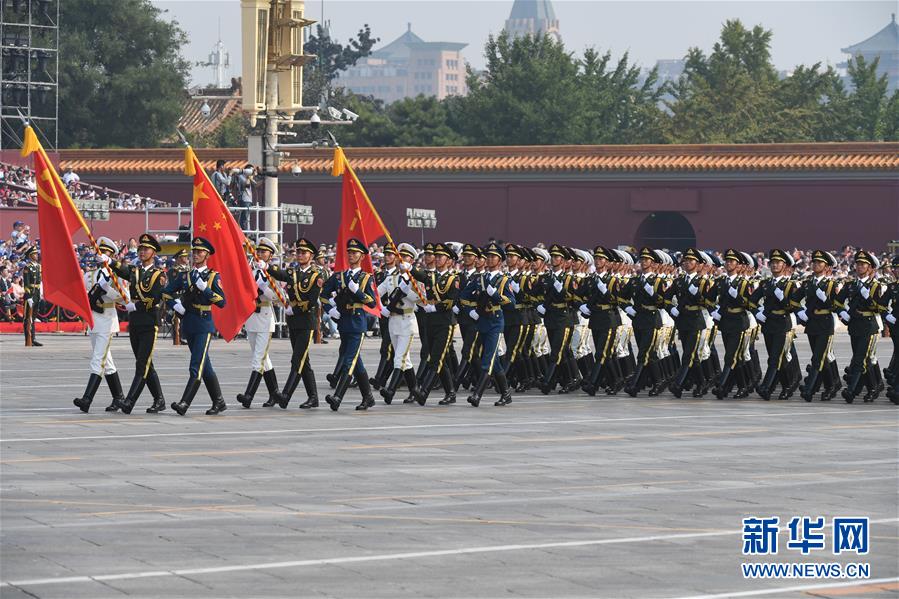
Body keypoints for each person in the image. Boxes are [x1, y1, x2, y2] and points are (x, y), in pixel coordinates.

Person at [164, 237, 227, 416]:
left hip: (204, 324)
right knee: (204, 366)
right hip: (189, 323)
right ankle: (219, 401)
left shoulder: (213, 276)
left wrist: (205, 289)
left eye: (200, 252)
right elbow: (166, 292)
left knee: (195, 366)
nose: (196, 254)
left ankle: (184, 403)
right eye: (195, 251)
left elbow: (222, 302)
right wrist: (175, 305)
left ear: (207, 254)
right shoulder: (185, 275)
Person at [109, 233, 167, 414]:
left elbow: (154, 297)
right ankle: (159, 399)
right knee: (145, 362)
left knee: (142, 364)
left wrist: (136, 305)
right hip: (135, 323)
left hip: (149, 322)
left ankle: (130, 401)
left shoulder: (159, 275)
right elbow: (123, 270)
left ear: (154, 253)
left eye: (146, 249)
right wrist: (109, 261)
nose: (142, 252)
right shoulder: (135, 271)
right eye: (141, 249)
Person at [321, 238, 379, 411]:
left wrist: (357, 291)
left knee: (348, 361)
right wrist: (330, 310)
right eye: (349, 252)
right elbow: (323, 294)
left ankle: (337, 397)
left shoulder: (366, 278)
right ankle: (368, 397)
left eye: (355, 253)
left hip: (357, 323)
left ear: (362, 256)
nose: (351, 255)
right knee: (355, 361)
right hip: (343, 321)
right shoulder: (339, 276)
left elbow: (371, 303)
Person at [268, 238, 324, 408]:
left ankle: (285, 396)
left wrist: (296, 310)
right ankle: (313, 397)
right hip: (293, 321)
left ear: (311, 256)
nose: (300, 255)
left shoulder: (317, 275)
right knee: (304, 361)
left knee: (297, 359)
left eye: (304, 253)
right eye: (298, 252)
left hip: (307, 321)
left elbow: (312, 300)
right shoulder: (293, 272)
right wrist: (267, 268)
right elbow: (281, 274)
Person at [459, 242, 515, 407]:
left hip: (495, 323)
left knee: (488, 360)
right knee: (495, 362)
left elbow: (511, 303)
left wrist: (496, 295)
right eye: (488, 256)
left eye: (493, 257)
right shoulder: (480, 278)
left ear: (500, 260)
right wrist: (470, 310)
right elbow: (463, 296)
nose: (489, 259)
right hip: (481, 321)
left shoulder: (504, 280)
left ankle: (477, 395)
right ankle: (506, 393)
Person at [73, 238, 126, 412]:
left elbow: (124, 298)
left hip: (107, 319)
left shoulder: (114, 275)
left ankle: (87, 399)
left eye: (105, 253)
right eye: (99, 252)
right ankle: (119, 397)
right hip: (94, 320)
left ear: (110, 256)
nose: (100, 255)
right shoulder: (91, 274)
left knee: (98, 359)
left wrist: (106, 289)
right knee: (107, 361)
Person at [409, 242, 459, 406]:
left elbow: (451, 301)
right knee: (440, 360)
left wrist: (435, 307)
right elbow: (421, 276)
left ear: (449, 261)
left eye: (441, 257)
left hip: (445, 323)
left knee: (436, 359)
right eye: (436, 256)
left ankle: (423, 392)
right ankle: (451, 392)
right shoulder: (431, 276)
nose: (437, 259)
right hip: (431, 322)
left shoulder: (453, 279)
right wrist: (409, 268)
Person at [235, 237, 283, 409]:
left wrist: (264, 288)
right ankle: (275, 394)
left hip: (264, 316)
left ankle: (248, 396)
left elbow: (279, 297)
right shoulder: (252, 271)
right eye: (259, 251)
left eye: (265, 252)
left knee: (258, 360)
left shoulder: (272, 273)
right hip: (251, 318)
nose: (261, 254)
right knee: (264, 359)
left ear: (271, 256)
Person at [377, 242, 425, 404]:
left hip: (407, 321)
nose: (401, 260)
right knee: (406, 360)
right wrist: (382, 308)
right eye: (400, 256)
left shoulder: (415, 278)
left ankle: (390, 391)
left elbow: (422, 300)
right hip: (393, 321)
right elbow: (377, 293)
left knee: (399, 358)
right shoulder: (391, 278)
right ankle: (416, 391)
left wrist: (407, 292)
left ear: (411, 261)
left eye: (405, 257)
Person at [837, 250, 887, 403]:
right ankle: (874, 388)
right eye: (858, 264)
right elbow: (837, 301)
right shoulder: (850, 285)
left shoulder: (876, 286)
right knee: (865, 359)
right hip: (854, 326)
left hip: (869, 326)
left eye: (863, 264)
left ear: (870, 268)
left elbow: (881, 308)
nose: (859, 267)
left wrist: (869, 298)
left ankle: (851, 391)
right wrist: (842, 312)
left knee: (860, 360)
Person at [750, 249, 800, 400]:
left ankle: (767, 387)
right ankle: (788, 386)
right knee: (777, 358)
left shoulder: (790, 285)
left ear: (784, 265)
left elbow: (793, 306)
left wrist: (783, 298)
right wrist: (757, 313)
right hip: (768, 323)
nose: (774, 265)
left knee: (775, 358)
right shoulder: (766, 284)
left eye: (778, 263)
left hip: (782, 324)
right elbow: (751, 300)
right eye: (772, 263)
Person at [580, 247, 626, 395]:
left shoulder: (613, 280)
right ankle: (616, 381)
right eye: (597, 259)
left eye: (601, 259)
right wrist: (582, 306)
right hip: (595, 318)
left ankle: (592, 384)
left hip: (609, 319)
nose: (598, 261)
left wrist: (605, 291)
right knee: (605, 353)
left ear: (606, 262)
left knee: (601, 353)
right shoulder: (591, 279)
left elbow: (617, 300)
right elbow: (583, 295)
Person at [797, 250, 840, 402]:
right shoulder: (808, 283)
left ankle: (810, 389)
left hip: (825, 323)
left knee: (818, 358)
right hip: (811, 323)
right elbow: (795, 300)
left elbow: (837, 305)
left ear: (827, 267)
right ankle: (832, 385)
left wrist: (827, 301)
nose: (816, 265)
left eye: (819, 263)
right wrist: (799, 312)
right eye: (814, 262)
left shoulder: (831, 284)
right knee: (822, 358)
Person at [370, 244, 399, 390]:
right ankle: (399, 377)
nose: (387, 257)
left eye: (390, 254)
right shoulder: (379, 274)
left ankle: (379, 378)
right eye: (386, 254)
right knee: (391, 347)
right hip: (382, 313)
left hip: (394, 313)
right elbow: (374, 292)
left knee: (387, 348)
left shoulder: (399, 274)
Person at [21, 243, 41, 347]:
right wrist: (28, 297)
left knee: (34, 317)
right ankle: (28, 339)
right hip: (30, 294)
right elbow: (26, 283)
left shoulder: (38, 266)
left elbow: (39, 281)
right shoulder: (27, 267)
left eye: (37, 254)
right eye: (35, 254)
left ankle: (33, 338)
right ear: (30, 256)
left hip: (37, 294)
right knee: (28, 318)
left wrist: (40, 293)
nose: (37, 255)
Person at [168, 248, 190, 345]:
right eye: (183, 257)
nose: (186, 258)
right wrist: (176, 299)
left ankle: (186, 336)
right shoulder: (174, 271)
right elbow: (173, 286)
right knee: (177, 318)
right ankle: (178, 338)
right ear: (178, 259)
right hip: (177, 297)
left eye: (186, 256)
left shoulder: (189, 269)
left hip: (187, 297)